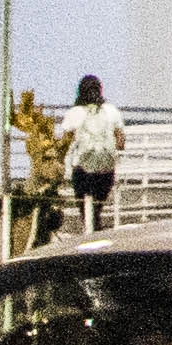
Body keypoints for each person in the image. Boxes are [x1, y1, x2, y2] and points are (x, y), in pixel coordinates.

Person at [58, 74, 123, 234]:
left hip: (83, 168)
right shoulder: (111, 111)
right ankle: (95, 227)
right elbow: (121, 141)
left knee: (85, 206)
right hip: (106, 167)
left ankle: (91, 230)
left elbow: (65, 142)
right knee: (97, 206)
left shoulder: (75, 112)